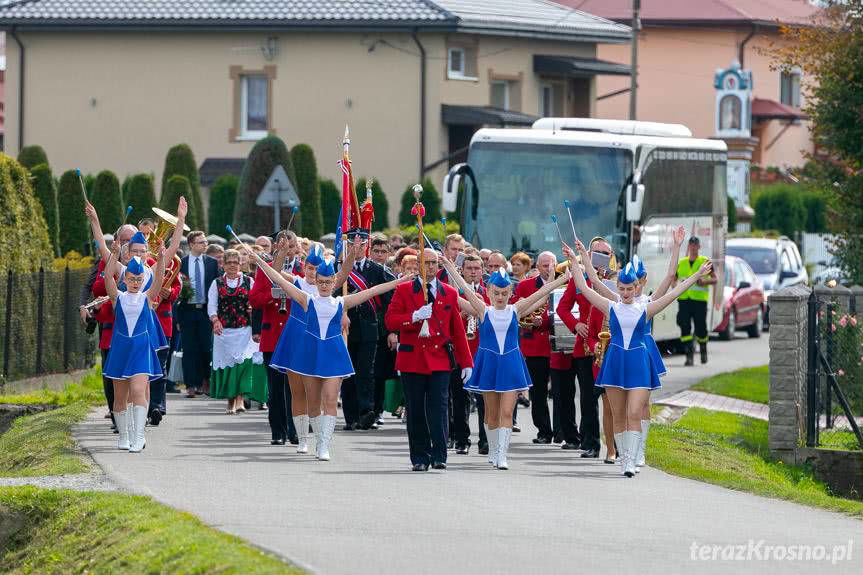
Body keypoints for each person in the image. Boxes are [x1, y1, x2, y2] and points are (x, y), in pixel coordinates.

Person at [243, 243, 411, 461]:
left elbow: (374, 290)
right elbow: (281, 280)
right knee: (312, 403)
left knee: (330, 398)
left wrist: (399, 281)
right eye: (320, 281)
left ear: (334, 283)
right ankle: (307, 438)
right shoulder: (306, 299)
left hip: (333, 353)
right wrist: (259, 261)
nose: (322, 285)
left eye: (327, 282)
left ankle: (324, 445)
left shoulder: (342, 301)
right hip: (310, 352)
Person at [567, 241, 712, 477]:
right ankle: (625, 459)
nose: (625, 293)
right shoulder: (610, 306)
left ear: (637, 287)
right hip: (614, 362)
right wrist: (577, 259)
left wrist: (696, 274)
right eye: (621, 289)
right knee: (619, 414)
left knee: (635, 412)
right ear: (618, 287)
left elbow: (675, 290)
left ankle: (635, 456)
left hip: (638, 363)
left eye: (629, 288)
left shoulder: (645, 308)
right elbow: (586, 285)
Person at [440, 255, 570, 469]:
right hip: (489, 364)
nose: (500, 297)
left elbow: (541, 293)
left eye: (504, 293)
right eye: (496, 293)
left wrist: (561, 279)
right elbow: (461, 288)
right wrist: (449, 268)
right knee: (491, 412)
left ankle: (502, 454)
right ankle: (493, 448)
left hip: (510, 364)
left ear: (510, 293)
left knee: (507, 412)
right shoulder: (483, 310)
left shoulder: (515, 310)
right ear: (489, 292)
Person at [584, 227, 686, 469]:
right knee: (624, 408)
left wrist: (676, 246)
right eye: (631, 283)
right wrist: (584, 260)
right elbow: (594, 284)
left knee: (641, 405)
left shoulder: (648, 302)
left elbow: (671, 277)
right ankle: (627, 452)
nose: (635, 287)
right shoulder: (618, 300)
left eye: (639, 282)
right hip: (621, 352)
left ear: (643, 282)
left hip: (643, 350)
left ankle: (639, 449)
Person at [385, 248, 473, 471]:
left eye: (434, 263)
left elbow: (458, 330)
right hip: (412, 359)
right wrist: (413, 317)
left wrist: (467, 362)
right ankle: (420, 457)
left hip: (439, 358)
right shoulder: (404, 290)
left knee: (439, 408)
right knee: (415, 410)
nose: (431, 267)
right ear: (419, 265)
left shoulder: (449, 293)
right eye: (426, 263)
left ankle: (439, 454)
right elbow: (390, 321)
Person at [102, 239, 168, 452]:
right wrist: (113, 255)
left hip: (140, 348)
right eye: (131, 279)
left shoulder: (147, 298)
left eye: (139, 279)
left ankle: (138, 437)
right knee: (120, 398)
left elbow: (158, 279)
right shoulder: (117, 297)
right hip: (120, 349)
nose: (136, 283)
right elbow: (107, 278)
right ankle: (124, 436)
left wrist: (162, 258)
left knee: (139, 390)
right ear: (125, 279)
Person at [556, 238, 611, 457]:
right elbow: (562, 308)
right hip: (585, 346)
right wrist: (575, 324)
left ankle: (617, 446)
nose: (599, 257)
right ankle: (590, 443)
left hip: (611, 347)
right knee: (588, 398)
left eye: (604, 254)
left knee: (612, 398)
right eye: (595, 252)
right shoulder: (580, 279)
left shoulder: (616, 279)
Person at [342, 232, 396, 431]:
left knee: (366, 372)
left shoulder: (378, 270)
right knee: (347, 373)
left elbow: (391, 300)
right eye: (352, 243)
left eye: (361, 243)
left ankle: (366, 412)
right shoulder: (340, 269)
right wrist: (342, 312)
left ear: (366, 246)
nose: (356, 247)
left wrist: (391, 330)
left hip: (370, 328)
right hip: (345, 328)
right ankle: (350, 416)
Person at [249, 231, 298, 446]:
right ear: (276, 246)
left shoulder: (304, 269)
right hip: (273, 337)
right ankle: (278, 431)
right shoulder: (265, 270)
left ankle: (296, 430)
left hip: (296, 336)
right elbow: (255, 300)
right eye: (283, 245)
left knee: (296, 387)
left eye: (292, 245)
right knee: (276, 387)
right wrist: (273, 294)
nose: (288, 249)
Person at [208, 249, 268, 414]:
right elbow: (212, 305)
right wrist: (215, 320)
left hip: (245, 330)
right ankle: (230, 401)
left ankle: (240, 399)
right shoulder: (217, 283)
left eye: (236, 262)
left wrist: (252, 310)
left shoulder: (249, 281)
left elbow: (257, 303)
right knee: (228, 367)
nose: (233, 265)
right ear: (224, 264)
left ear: (241, 263)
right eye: (229, 262)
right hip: (224, 332)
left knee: (243, 365)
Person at [514, 251, 558, 444]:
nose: (549, 269)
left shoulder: (565, 283)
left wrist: (546, 320)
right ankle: (544, 431)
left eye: (552, 264)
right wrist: (533, 320)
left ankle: (563, 431)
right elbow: (519, 312)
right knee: (538, 392)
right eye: (544, 265)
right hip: (535, 346)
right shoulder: (525, 285)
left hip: (559, 345)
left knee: (561, 392)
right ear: (537, 267)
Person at [179, 231, 220, 397]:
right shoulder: (181, 263)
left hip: (205, 310)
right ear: (191, 244)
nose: (205, 245)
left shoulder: (212, 263)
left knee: (206, 348)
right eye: (201, 242)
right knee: (189, 349)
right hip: (187, 309)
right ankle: (190, 384)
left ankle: (206, 380)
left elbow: (217, 287)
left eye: (206, 242)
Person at [675, 236, 716, 365]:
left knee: (700, 327)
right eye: (691, 245)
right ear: (688, 247)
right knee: (684, 326)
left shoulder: (705, 261)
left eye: (695, 245)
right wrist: (674, 287)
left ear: (699, 247)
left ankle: (703, 349)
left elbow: (715, 279)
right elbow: (673, 277)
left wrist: (704, 282)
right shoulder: (681, 262)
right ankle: (689, 355)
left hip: (699, 301)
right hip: (684, 299)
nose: (693, 247)